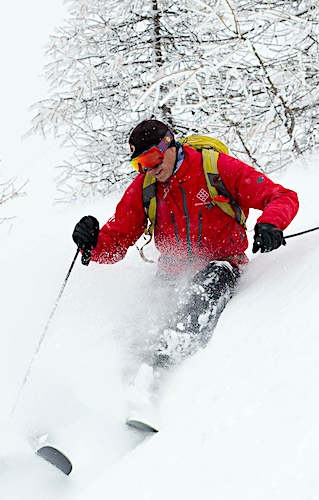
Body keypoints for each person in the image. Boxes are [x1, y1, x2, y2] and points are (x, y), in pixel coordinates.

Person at [70, 119, 299, 411]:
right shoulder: (146, 188)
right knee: (135, 324)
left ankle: (153, 386)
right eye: (139, 164)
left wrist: (270, 223)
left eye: (152, 158)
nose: (148, 169)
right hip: (171, 273)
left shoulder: (214, 168)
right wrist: (91, 243)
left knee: (195, 304)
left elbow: (281, 197)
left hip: (223, 266)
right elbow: (116, 242)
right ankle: (96, 398)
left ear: (169, 144)